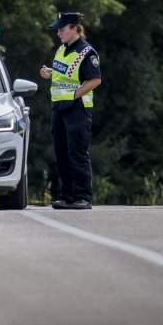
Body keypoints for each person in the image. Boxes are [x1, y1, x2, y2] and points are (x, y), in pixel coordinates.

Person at [39, 12, 102, 210]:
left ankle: (83, 197)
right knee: (61, 153)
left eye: (62, 29)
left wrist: (74, 95)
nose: (58, 33)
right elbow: (63, 75)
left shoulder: (86, 52)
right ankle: (66, 196)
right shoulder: (61, 49)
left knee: (77, 153)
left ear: (74, 28)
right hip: (58, 107)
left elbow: (95, 80)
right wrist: (48, 74)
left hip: (77, 108)